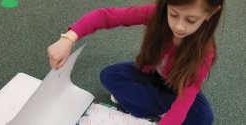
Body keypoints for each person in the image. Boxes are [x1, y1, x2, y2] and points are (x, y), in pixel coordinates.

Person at [48, 0, 224, 124]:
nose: (179, 26)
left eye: (191, 20)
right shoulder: (155, 15)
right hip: (151, 74)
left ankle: (151, 106)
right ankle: (159, 108)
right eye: (173, 14)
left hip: (178, 88)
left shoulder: (205, 52)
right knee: (109, 75)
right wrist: (68, 39)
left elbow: (185, 99)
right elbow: (105, 16)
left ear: (210, 13)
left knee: (203, 117)